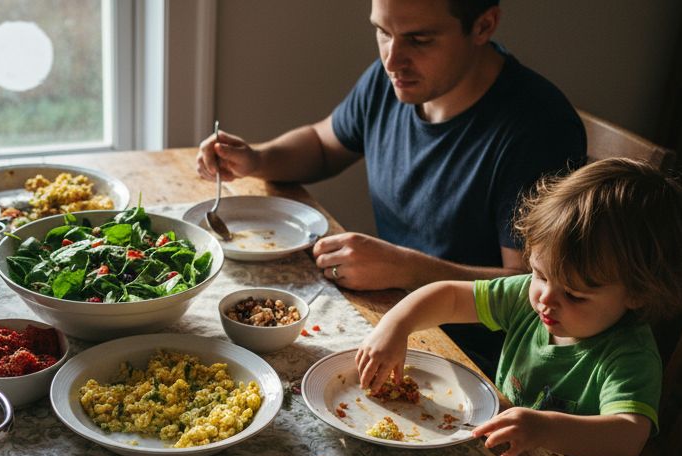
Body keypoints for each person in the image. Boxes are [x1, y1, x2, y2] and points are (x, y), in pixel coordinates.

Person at [195, 0, 586, 373]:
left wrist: (406, 269)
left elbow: (527, 289)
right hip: (390, 320)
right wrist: (257, 159)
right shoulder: (395, 80)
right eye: (383, 32)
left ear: (483, 26)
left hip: (478, 364)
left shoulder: (539, 130)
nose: (391, 59)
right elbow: (323, 144)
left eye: (419, 39)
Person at [354, 159, 682, 456]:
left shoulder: (629, 355)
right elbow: (450, 296)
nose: (546, 298)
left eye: (575, 295)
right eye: (538, 273)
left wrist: (544, 428)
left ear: (638, 294)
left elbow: (627, 437)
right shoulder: (531, 297)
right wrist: (395, 325)